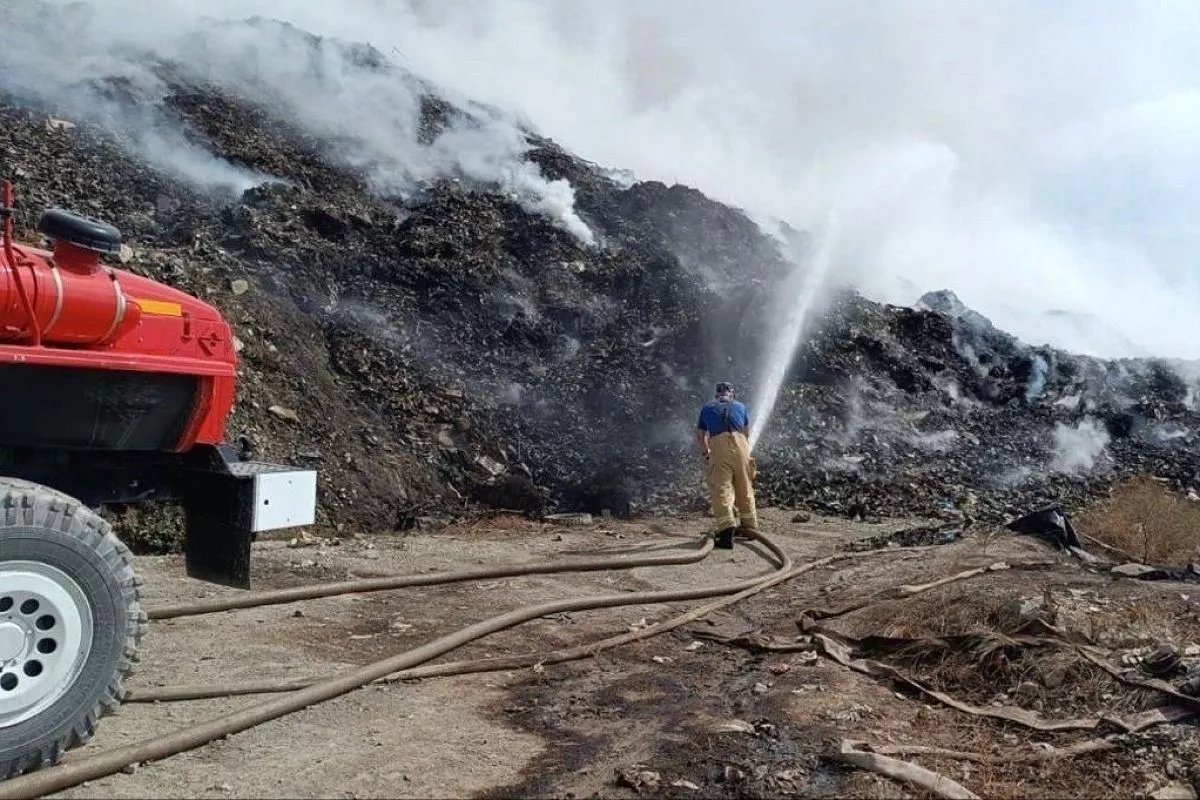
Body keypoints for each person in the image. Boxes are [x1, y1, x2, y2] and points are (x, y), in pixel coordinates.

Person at [695, 382, 759, 549]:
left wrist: (706, 454)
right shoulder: (741, 406)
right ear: (732, 394)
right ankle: (750, 528)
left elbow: (701, 436)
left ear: (717, 395)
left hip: (719, 444)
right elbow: (746, 432)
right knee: (744, 486)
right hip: (741, 446)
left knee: (722, 487)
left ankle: (726, 533)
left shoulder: (707, 407)